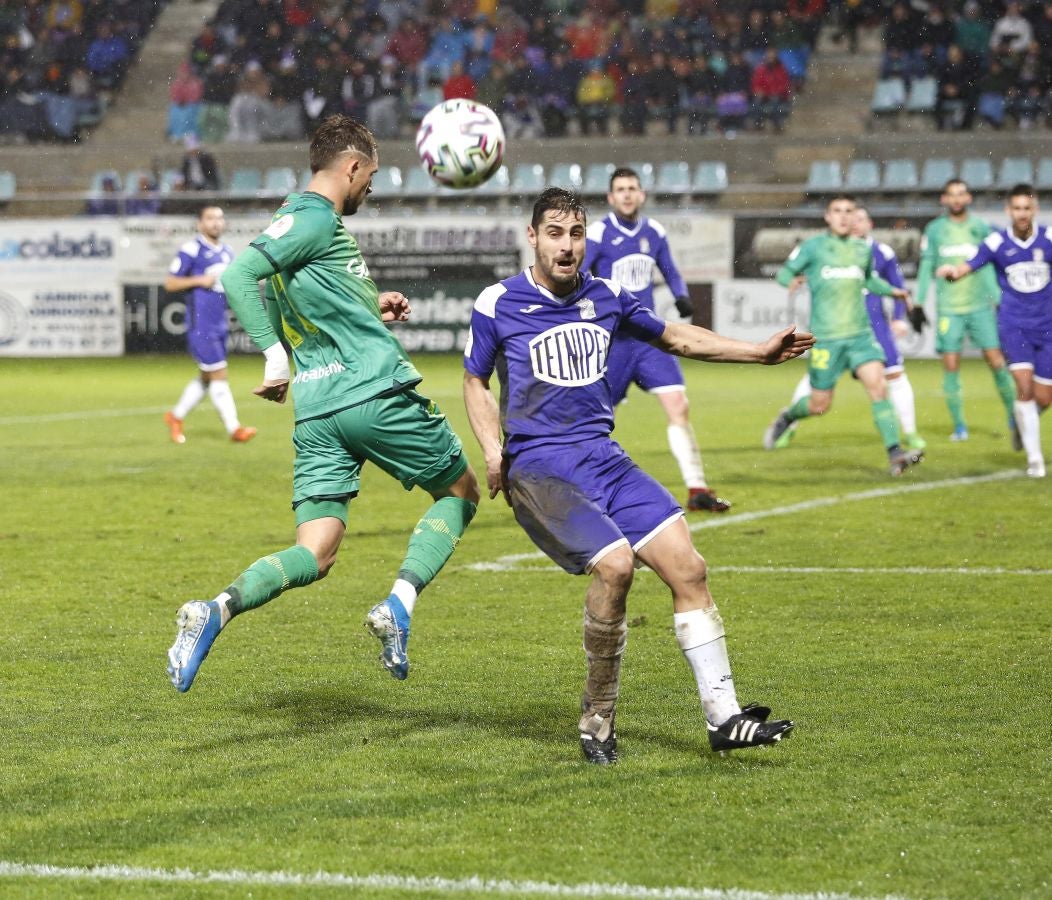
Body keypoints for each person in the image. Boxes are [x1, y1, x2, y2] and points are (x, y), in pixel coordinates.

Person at [462, 187, 812, 764]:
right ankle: (598, 717)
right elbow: (475, 379)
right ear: (532, 237)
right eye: (554, 233)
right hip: (540, 468)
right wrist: (493, 450)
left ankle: (724, 718)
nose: (567, 246)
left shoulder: (608, 297)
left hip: (603, 458)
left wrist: (758, 352)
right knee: (617, 565)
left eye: (576, 233)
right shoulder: (498, 302)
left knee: (689, 568)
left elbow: (676, 337)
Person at [166, 115, 480, 693]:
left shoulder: (295, 218)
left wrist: (371, 305)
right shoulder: (315, 218)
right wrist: (274, 357)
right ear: (352, 166)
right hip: (373, 393)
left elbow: (312, 295)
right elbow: (238, 276)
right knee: (461, 492)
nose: (371, 189)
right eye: (371, 177)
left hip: (318, 412)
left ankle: (215, 610)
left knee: (317, 552)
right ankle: (398, 605)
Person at [583, 167, 730, 513]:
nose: (627, 194)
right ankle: (585, 491)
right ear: (610, 197)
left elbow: (670, 269)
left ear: (642, 194)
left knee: (679, 406)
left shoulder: (654, 231)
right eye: (620, 189)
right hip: (613, 343)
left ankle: (697, 490)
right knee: (599, 421)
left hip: (649, 338)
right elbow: (579, 276)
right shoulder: (598, 233)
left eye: (632, 188)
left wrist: (680, 295)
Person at [762, 194, 922, 475]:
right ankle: (788, 416)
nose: (844, 216)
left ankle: (895, 452)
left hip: (860, 336)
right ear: (827, 216)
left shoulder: (862, 249)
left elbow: (869, 279)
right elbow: (784, 273)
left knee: (879, 387)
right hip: (827, 339)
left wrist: (892, 290)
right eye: (837, 211)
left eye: (849, 211)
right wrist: (793, 280)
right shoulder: (812, 248)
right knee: (819, 404)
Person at [937, 183, 1052, 478]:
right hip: (1015, 326)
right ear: (1008, 211)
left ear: (1034, 210)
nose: (1022, 214)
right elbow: (969, 264)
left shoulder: (1049, 238)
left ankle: (1023, 425)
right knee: (1024, 389)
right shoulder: (997, 242)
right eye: (1017, 208)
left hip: (1048, 328)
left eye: (1027, 208)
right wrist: (953, 273)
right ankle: (1034, 459)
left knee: (1043, 397)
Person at [915, 179, 1017, 443]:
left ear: (969, 198)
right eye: (952, 195)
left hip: (981, 306)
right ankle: (960, 426)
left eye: (961, 194)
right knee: (951, 367)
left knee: (996, 362)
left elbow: (995, 262)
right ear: (944, 199)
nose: (957, 199)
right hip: (949, 309)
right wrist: (918, 302)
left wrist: (999, 297)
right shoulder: (935, 230)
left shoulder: (981, 228)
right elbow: (926, 267)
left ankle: (1013, 417)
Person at [162, 204, 256, 446]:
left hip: (219, 323)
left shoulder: (226, 252)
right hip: (201, 324)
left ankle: (175, 417)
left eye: (219, 218)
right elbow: (170, 283)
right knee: (219, 375)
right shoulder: (191, 250)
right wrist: (199, 280)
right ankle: (234, 428)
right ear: (200, 224)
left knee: (206, 376)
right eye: (210, 218)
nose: (216, 222)